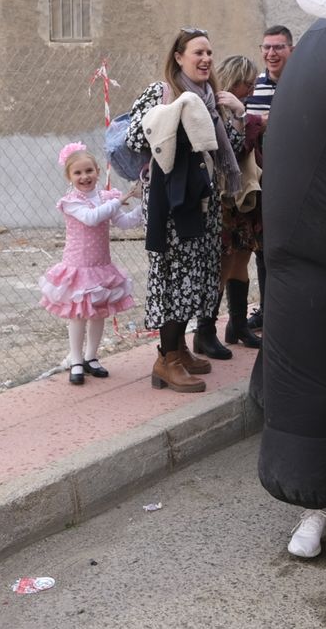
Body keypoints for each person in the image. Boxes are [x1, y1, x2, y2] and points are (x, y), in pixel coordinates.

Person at [123, 27, 248, 392]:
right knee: (175, 277)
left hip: (202, 198)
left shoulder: (210, 98)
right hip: (171, 200)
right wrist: (176, 116)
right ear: (179, 58)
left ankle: (178, 348)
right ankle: (167, 360)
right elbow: (134, 138)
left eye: (209, 53)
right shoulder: (161, 92)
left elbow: (230, 146)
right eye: (198, 53)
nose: (206, 59)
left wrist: (237, 113)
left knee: (197, 276)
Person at [38, 143, 144, 384]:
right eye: (77, 172)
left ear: (98, 171)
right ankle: (76, 360)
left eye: (89, 171)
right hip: (78, 268)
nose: (84, 176)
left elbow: (125, 222)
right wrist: (121, 199)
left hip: (100, 267)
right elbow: (91, 218)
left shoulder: (107, 197)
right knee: (78, 316)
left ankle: (91, 357)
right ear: (69, 176)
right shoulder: (71, 202)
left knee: (98, 313)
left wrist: (143, 205)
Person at [243, 25, 294, 334]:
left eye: (278, 47)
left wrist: (265, 122)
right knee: (263, 250)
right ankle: (267, 310)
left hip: (297, 179)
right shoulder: (254, 88)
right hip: (262, 181)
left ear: (291, 50)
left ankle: (291, 309)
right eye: (266, 47)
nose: (271, 53)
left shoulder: (303, 82)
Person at [212, 55, 265, 349]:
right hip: (223, 199)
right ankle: (206, 332)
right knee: (223, 263)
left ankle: (238, 325)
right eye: (248, 84)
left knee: (242, 257)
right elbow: (235, 149)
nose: (252, 89)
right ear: (234, 81)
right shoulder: (216, 110)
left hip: (242, 198)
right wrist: (243, 114)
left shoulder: (239, 108)